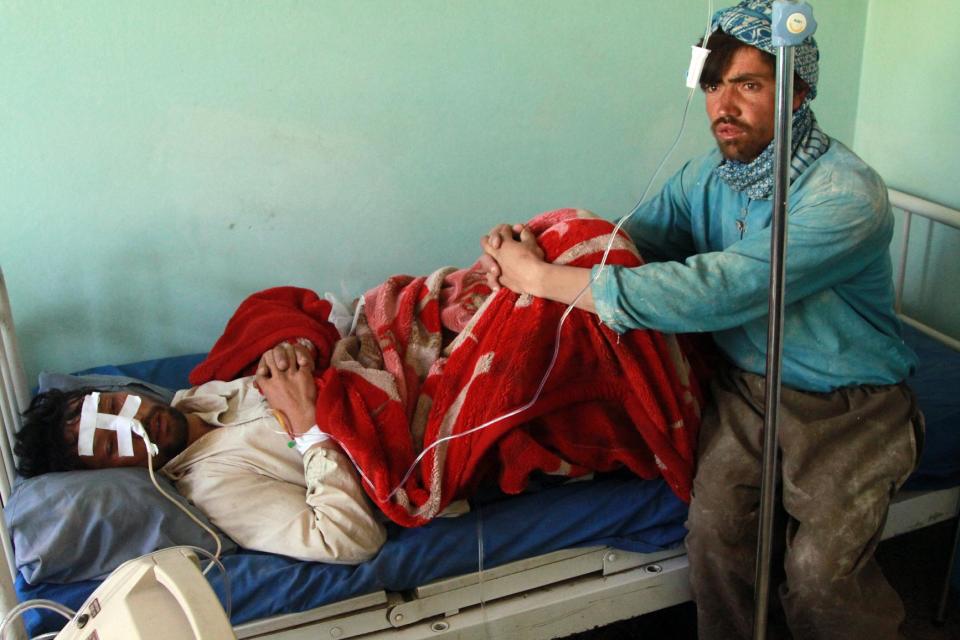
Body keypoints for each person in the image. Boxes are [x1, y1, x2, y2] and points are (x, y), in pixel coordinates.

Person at [479, 1, 921, 638]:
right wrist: (535, 246)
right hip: (747, 392)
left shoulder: (846, 194)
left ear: (796, 92)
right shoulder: (705, 178)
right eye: (714, 85)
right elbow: (628, 245)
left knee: (822, 571)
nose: (724, 105)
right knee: (715, 539)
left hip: (851, 407)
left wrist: (544, 280)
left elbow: (720, 289)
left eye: (749, 84)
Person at [15, 341, 386, 565]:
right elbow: (349, 540)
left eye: (115, 407)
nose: (137, 422)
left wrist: (290, 352)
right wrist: (309, 429)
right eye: (113, 444)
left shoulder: (201, 395)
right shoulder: (215, 489)